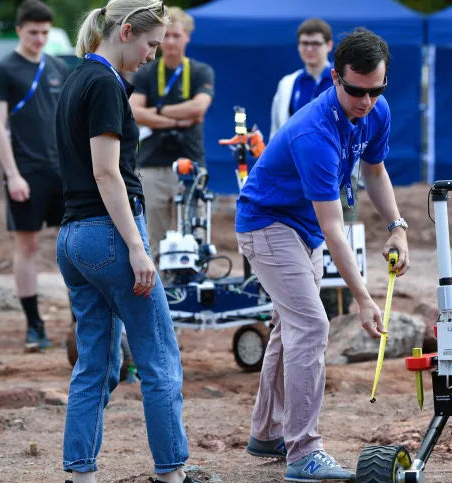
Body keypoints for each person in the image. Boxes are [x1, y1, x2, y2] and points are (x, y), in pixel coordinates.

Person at [236, 27, 411, 482]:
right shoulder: (313, 131)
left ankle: (268, 432)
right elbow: (336, 228)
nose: (367, 101)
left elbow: (374, 171)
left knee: (288, 327)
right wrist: (364, 297)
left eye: (377, 90)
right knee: (311, 325)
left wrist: (398, 227)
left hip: (303, 230)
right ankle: (303, 452)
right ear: (336, 77)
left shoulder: (376, 109)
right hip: (267, 224)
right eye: (356, 90)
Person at [54, 2, 200, 482]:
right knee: (159, 357)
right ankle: (172, 471)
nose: (152, 55)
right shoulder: (103, 84)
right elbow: (105, 171)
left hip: (73, 236)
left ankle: (80, 472)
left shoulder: (77, 78)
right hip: (110, 234)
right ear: (127, 31)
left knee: (96, 361)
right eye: (151, 45)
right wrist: (138, 246)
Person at [0, 0, 70, 352]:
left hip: (62, 173)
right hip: (26, 173)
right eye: (33, 32)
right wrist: (13, 175)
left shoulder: (58, 67)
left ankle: (81, 319)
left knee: (73, 245)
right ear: (19, 30)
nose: (39, 38)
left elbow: (69, 123)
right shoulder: (3, 70)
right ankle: (34, 325)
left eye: (44, 33)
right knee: (28, 245)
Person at [270, 18, 360, 320]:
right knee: (303, 239)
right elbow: (277, 130)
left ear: (328, 46)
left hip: (338, 175)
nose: (310, 49)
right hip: (297, 179)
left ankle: (342, 307)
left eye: (316, 43)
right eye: (304, 43)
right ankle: (309, 304)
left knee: (339, 235)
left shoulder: (342, 80)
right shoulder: (288, 84)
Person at [129, 6, 214, 247]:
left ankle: (190, 283)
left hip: (190, 162)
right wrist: (177, 120)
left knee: (193, 236)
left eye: (177, 35)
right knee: (153, 237)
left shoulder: (200, 71)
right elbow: (134, 112)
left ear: (187, 36)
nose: (171, 41)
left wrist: (154, 112)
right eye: (166, 35)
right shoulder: (146, 71)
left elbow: (199, 108)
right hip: (152, 163)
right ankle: (158, 285)